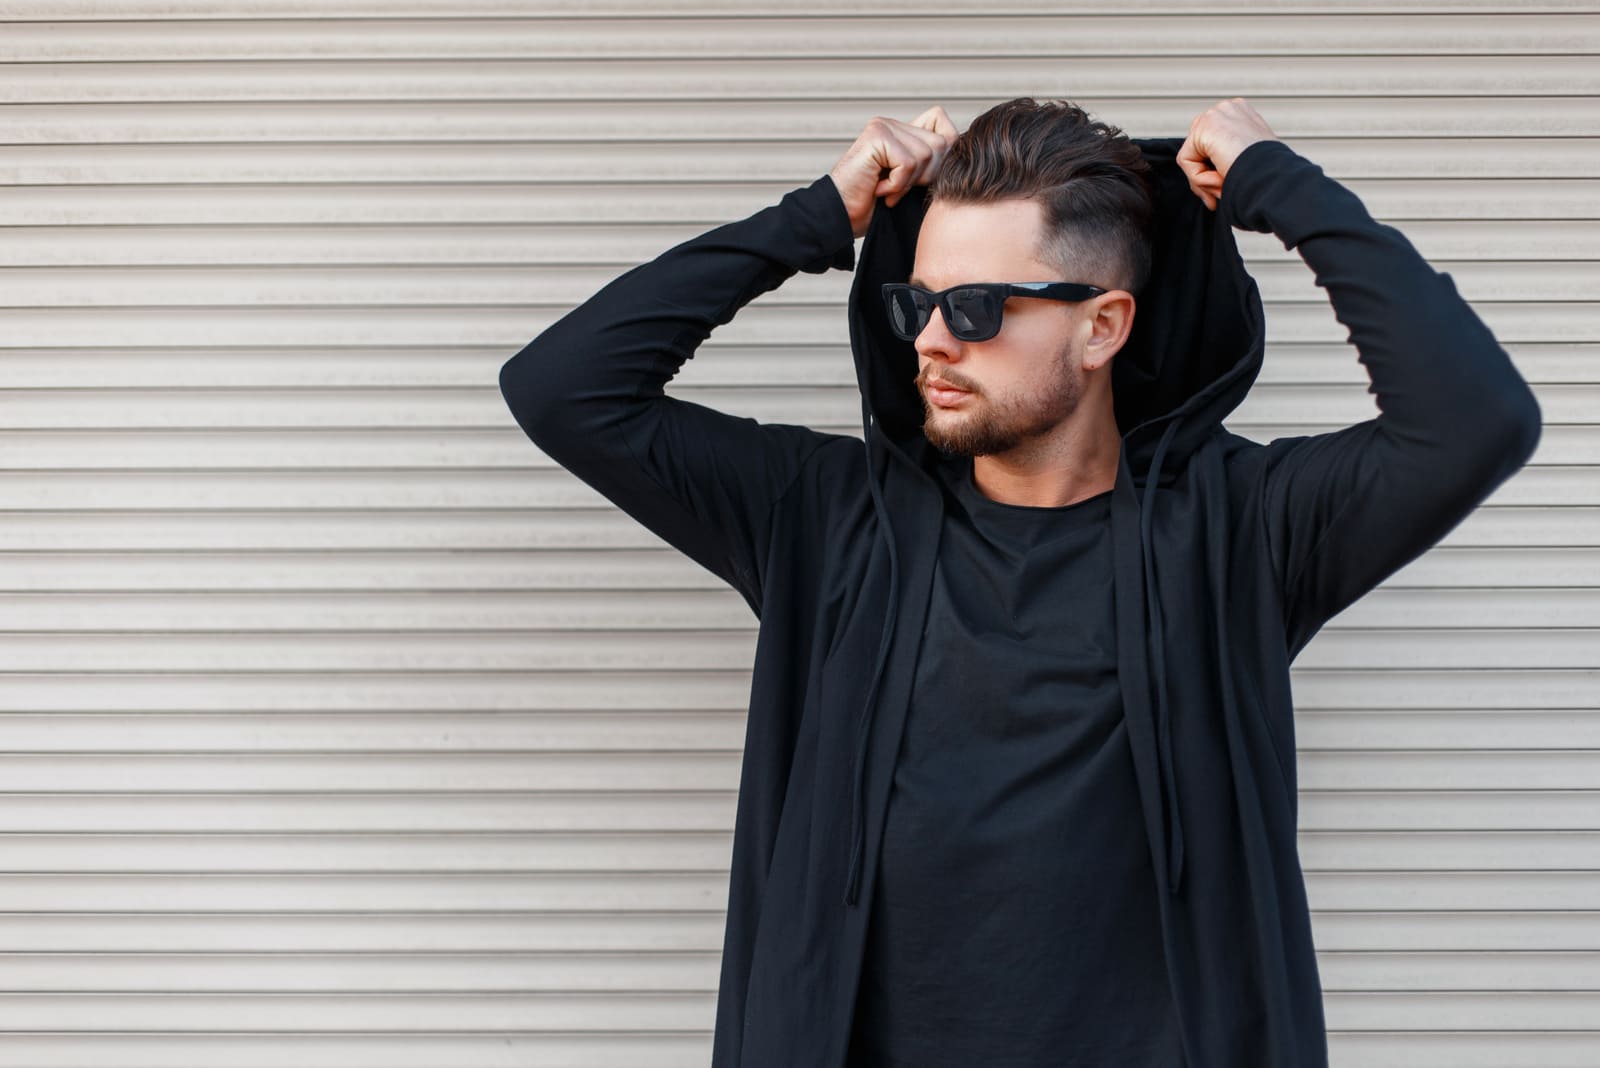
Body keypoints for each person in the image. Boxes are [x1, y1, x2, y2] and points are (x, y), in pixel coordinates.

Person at [499, 97, 1542, 1067]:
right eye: (920, 299)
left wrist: (1281, 186)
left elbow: (1473, 420)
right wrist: (816, 218)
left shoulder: (1241, 529)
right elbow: (563, 388)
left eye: (981, 305)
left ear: (1103, 326)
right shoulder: (821, 519)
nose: (933, 341)